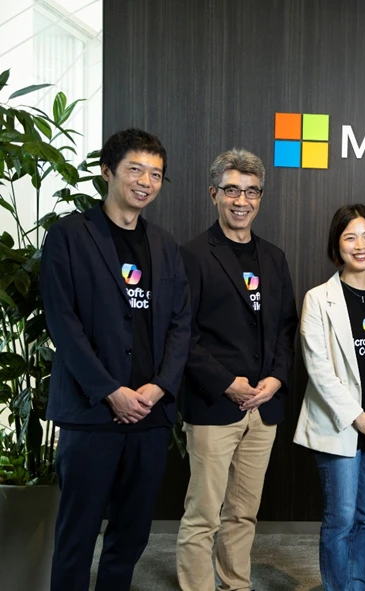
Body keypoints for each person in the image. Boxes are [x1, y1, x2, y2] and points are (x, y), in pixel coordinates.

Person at [41, 128, 191, 591]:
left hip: (148, 414)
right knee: (77, 536)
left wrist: (160, 386)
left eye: (156, 174)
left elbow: (180, 325)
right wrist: (110, 391)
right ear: (108, 171)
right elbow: (63, 324)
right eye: (135, 169)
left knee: (131, 535)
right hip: (92, 413)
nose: (145, 181)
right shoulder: (69, 236)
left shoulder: (166, 246)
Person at [175, 148, 297, 591]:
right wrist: (227, 383)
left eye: (250, 191)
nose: (241, 200)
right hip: (213, 404)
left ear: (260, 197)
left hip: (263, 408)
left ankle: (235, 583)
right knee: (204, 512)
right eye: (231, 190)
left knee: (244, 511)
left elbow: (287, 327)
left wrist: (276, 379)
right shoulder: (192, 255)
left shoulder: (274, 257)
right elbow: (181, 334)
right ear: (214, 194)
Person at [294, 204, 365, 591]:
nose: (360, 245)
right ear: (336, 244)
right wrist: (356, 415)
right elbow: (318, 368)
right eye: (350, 237)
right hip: (340, 424)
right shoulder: (318, 298)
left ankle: (357, 585)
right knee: (341, 518)